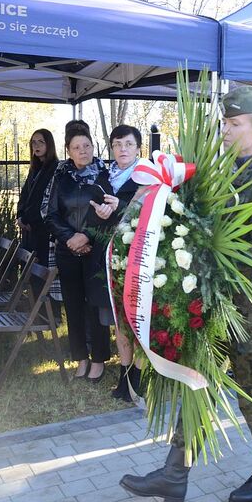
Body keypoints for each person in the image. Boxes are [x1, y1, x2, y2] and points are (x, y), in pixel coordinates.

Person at [120, 85, 252, 502]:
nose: (226, 131)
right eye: (225, 123)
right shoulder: (223, 172)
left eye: (235, 124)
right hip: (212, 309)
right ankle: (175, 474)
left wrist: (210, 253)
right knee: (194, 387)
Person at [47, 126, 119, 384]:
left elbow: (109, 212)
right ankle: (81, 358)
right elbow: (51, 214)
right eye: (76, 147)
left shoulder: (105, 175)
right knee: (73, 305)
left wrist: (85, 236)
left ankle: (99, 359)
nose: (82, 151)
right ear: (69, 151)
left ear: (93, 146)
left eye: (86, 146)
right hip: (68, 250)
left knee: (94, 305)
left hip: (95, 250)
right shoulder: (62, 177)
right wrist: (70, 238)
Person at [103, 125, 144, 401]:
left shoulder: (148, 177)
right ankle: (124, 377)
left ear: (138, 148)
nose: (123, 149)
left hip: (140, 258)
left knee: (137, 319)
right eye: (118, 144)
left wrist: (122, 206)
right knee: (119, 320)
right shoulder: (105, 177)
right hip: (111, 257)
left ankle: (139, 381)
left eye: (128, 144)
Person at [17, 129, 58, 270]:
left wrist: (30, 220)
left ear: (49, 144)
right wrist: (20, 216)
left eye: (41, 142)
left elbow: (46, 200)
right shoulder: (34, 168)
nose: (37, 146)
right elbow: (25, 196)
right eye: (33, 142)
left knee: (39, 270)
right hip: (28, 229)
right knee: (28, 271)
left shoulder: (55, 168)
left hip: (42, 229)